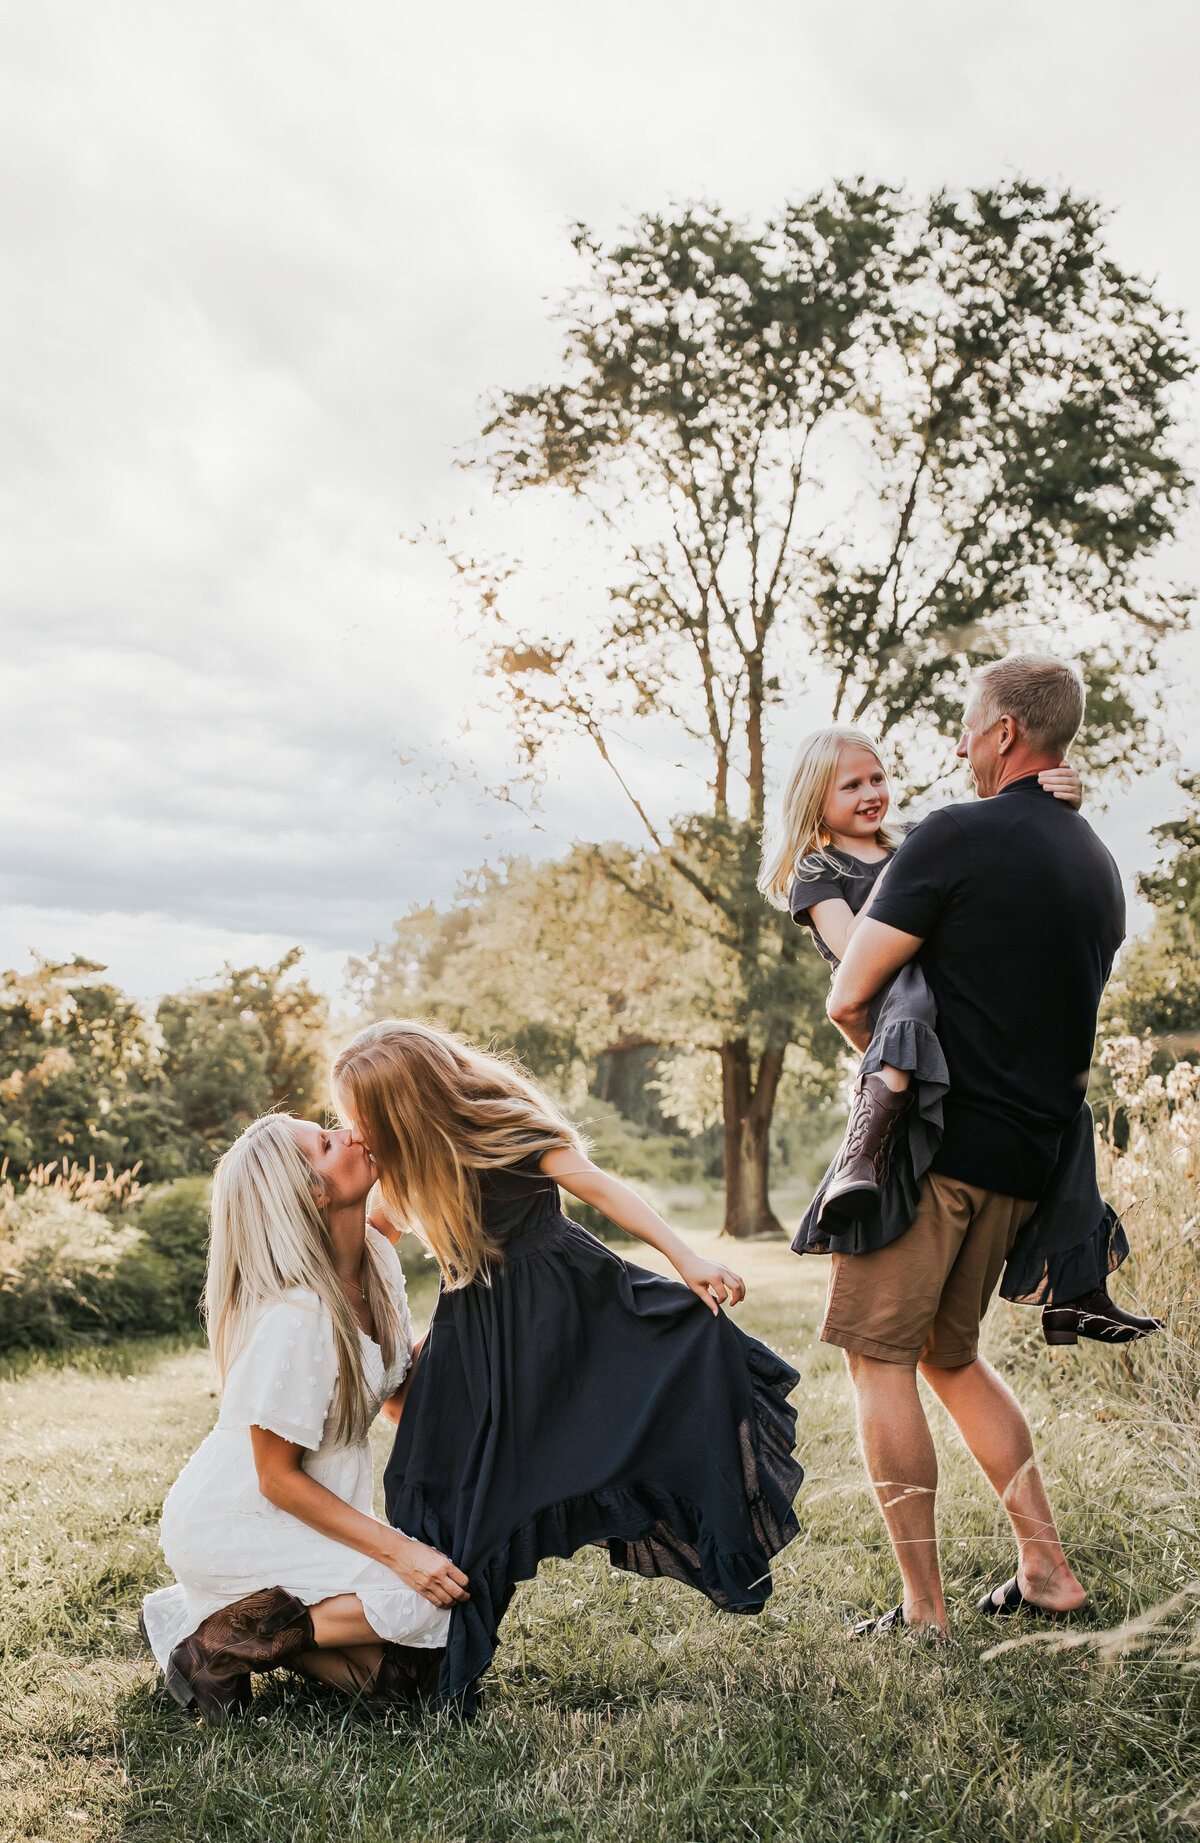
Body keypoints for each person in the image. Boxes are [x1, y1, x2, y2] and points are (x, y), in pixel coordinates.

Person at [332, 1020, 805, 1713]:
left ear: (405, 1101)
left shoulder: (504, 1126)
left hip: (566, 1306)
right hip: (475, 1328)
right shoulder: (402, 1162)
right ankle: (430, 1654)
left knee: (684, 1354)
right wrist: (383, 1333)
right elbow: (374, 1237)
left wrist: (687, 1258)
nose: (355, 1131)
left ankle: (434, 1652)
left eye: (361, 1115)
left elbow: (601, 1188)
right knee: (433, 1479)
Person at [820, 654, 1135, 1635]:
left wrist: (895, 1080)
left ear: (1004, 732)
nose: (959, 745)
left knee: (877, 1358)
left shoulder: (954, 835)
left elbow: (849, 995)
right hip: (1026, 1162)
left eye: (968, 726)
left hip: (934, 1149)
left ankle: (924, 1612)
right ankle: (1048, 1570)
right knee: (948, 1355)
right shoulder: (1097, 865)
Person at [759, 722, 1157, 1346]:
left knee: (1069, 1107)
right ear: (816, 799)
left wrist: (1059, 801)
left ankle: (1079, 1282)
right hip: (895, 1002)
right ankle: (863, 1157)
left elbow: (995, 838)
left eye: (877, 779)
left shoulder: (914, 837)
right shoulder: (819, 870)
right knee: (913, 994)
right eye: (851, 786)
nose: (871, 794)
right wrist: (917, 867)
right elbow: (856, 949)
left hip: (955, 1013)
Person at [138, 1114, 466, 1720]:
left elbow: (394, 1396)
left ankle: (199, 1614)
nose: (351, 1133)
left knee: (419, 1685)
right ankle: (220, 1643)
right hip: (240, 1521)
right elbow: (276, 1479)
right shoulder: (300, 1317)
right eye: (327, 1142)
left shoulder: (375, 1256)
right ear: (313, 1194)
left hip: (309, 1515)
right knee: (434, 1604)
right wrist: (402, 1554)